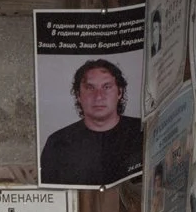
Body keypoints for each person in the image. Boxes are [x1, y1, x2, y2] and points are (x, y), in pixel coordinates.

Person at [39, 58, 143, 187]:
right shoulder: (57, 143)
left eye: (107, 87)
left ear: (119, 92)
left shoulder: (143, 131)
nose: (99, 96)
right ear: (78, 95)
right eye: (90, 88)